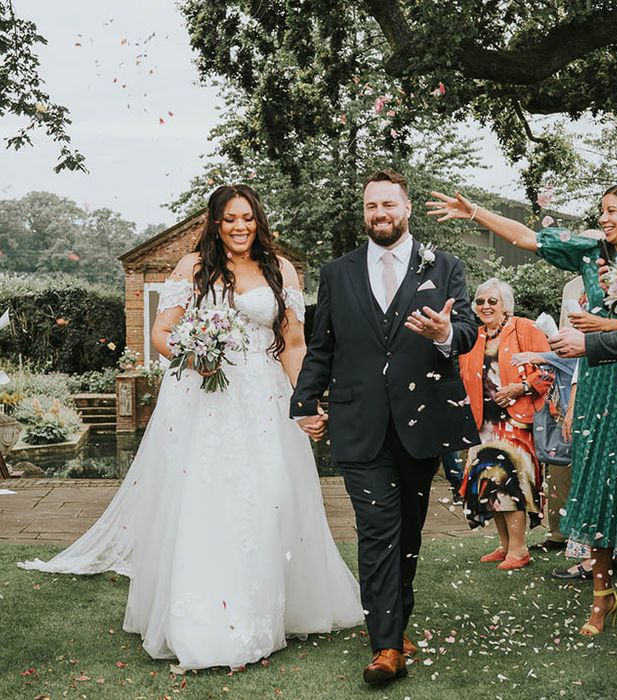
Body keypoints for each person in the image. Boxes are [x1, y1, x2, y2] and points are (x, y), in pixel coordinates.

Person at [20, 185, 364, 670]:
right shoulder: (192, 268)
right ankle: (207, 619)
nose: (239, 227)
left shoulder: (280, 270)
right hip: (207, 400)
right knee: (209, 499)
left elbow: (293, 344)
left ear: (257, 221)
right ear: (215, 223)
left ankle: (274, 609)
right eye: (229, 219)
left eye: (247, 218)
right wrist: (193, 354)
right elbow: (161, 334)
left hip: (264, 400)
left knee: (271, 495)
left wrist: (303, 401)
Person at [428, 181, 617, 636]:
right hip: (598, 385)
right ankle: (603, 596)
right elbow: (527, 237)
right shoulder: (590, 253)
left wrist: (598, 334)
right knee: (597, 485)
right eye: (600, 210)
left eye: (612, 211)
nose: (603, 218)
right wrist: (475, 211)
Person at [290, 168, 479, 684]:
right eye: (372, 206)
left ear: (407, 208)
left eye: (389, 205)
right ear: (364, 212)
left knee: (408, 534)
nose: (380, 214)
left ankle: (395, 620)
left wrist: (445, 333)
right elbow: (322, 345)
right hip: (360, 423)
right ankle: (386, 646)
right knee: (377, 531)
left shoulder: (444, 266)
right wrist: (305, 401)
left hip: (423, 424)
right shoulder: (338, 272)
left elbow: (466, 330)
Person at [458, 278, 553, 570]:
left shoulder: (524, 329)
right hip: (483, 423)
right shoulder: (472, 337)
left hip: (516, 422)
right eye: (480, 301)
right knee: (488, 483)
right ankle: (505, 545)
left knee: (511, 483)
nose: (485, 306)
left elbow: (551, 366)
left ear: (505, 305)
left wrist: (521, 388)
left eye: (492, 301)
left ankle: (520, 548)